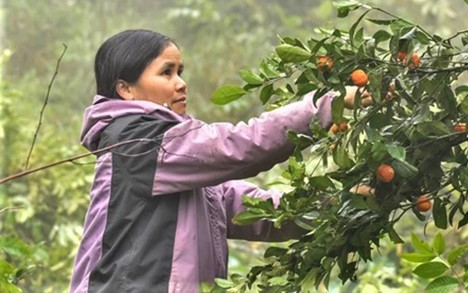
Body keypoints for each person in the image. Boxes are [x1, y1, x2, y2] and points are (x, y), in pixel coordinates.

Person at [70, 29, 369, 292]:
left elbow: (264, 213)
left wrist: (344, 205)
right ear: (126, 90)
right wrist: (327, 103)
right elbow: (238, 147)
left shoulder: (182, 166)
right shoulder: (137, 141)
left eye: (180, 72)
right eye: (166, 72)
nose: (181, 83)